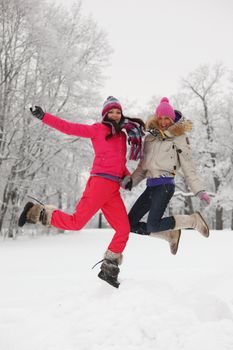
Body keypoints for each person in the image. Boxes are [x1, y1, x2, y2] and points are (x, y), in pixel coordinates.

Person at [18, 96, 145, 288]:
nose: (115, 115)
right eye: (111, 112)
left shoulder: (122, 136)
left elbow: (119, 164)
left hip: (112, 190)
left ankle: (109, 268)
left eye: (118, 112)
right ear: (105, 114)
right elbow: (69, 127)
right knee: (76, 223)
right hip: (99, 184)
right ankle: (36, 212)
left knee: (123, 229)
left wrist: (126, 177)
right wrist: (44, 116)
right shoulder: (97, 129)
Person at [123, 97, 210, 255]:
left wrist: (199, 190)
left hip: (165, 185)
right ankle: (170, 234)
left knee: (153, 225)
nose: (163, 121)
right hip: (150, 187)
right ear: (156, 118)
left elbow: (188, 166)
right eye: (161, 118)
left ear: (172, 118)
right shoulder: (149, 138)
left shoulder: (179, 138)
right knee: (129, 224)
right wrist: (130, 182)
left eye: (167, 118)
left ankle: (192, 220)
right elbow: (142, 168)